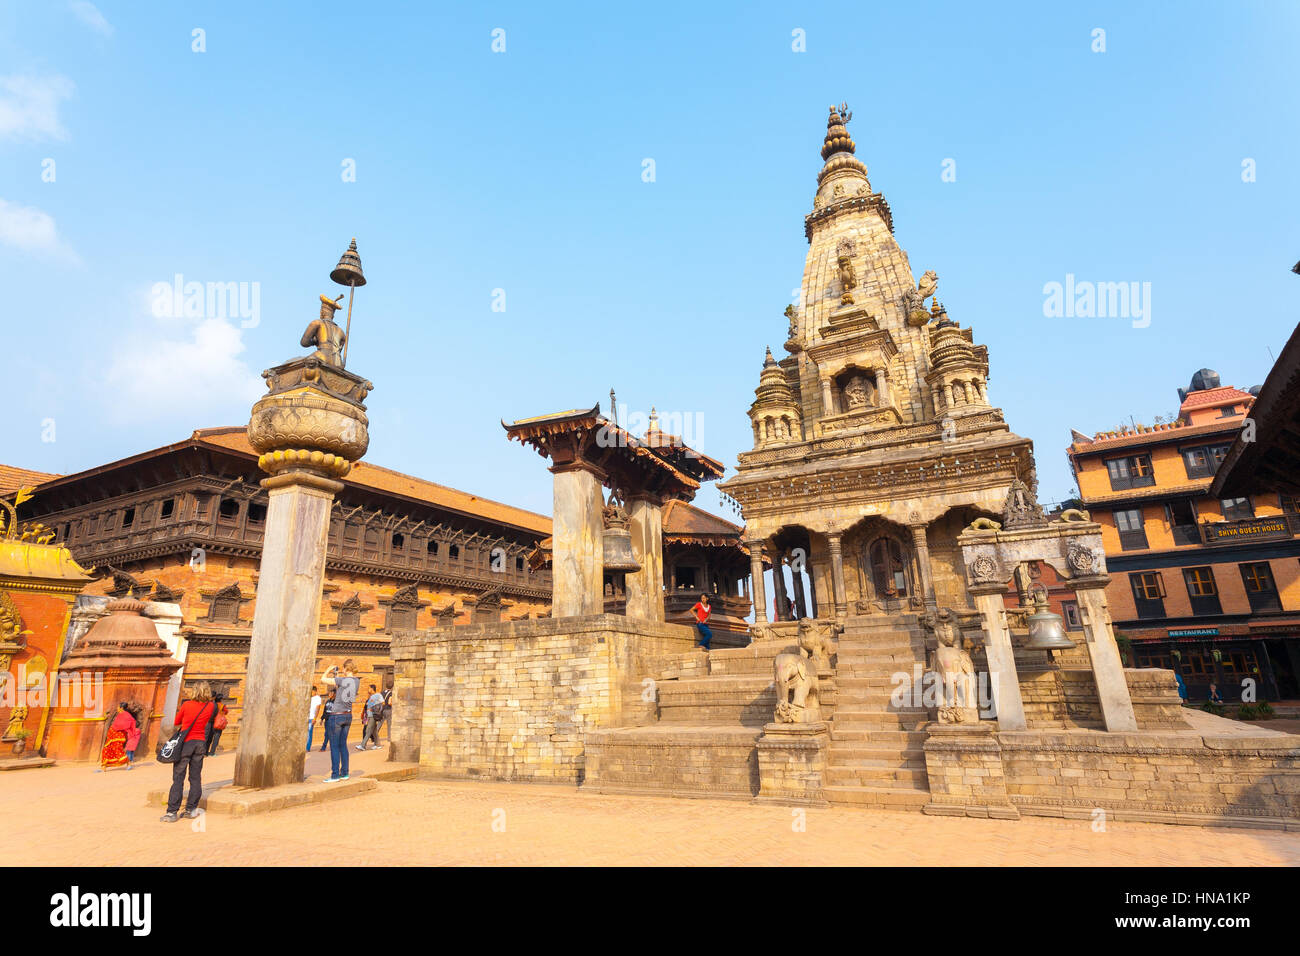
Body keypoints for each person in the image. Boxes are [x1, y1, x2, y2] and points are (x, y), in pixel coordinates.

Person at [162, 682, 217, 822]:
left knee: (178, 778)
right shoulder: (211, 706)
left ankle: (172, 812)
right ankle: (191, 810)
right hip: (200, 743)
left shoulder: (187, 705)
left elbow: (176, 721)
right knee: (195, 777)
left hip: (186, 743)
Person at [322, 660, 360, 781]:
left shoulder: (342, 680)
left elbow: (323, 679)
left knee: (334, 746)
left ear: (346, 668)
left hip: (336, 715)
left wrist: (328, 669)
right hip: (348, 714)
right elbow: (343, 689)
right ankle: (344, 773)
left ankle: (334, 775)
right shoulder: (357, 681)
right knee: (343, 745)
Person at [98, 702, 139, 771]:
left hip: (119, 736)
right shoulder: (119, 715)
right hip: (112, 736)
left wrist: (129, 731)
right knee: (106, 749)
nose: (117, 708)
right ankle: (103, 767)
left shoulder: (127, 715)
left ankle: (128, 763)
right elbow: (115, 725)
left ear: (121, 708)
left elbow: (131, 722)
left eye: (118, 707)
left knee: (117, 750)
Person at [357, 684, 384, 751]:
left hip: (373, 715)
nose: (368, 690)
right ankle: (378, 744)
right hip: (370, 715)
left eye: (369, 688)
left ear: (372, 689)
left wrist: (376, 708)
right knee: (374, 731)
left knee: (368, 730)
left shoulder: (378, 695)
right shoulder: (371, 697)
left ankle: (363, 745)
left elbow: (383, 703)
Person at [307, 685, 322, 753]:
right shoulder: (308, 697)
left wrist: (315, 718)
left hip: (311, 718)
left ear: (315, 691)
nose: (311, 693)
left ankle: (307, 748)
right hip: (306, 718)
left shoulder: (318, 698)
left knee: (309, 733)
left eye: (312, 691)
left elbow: (318, 709)